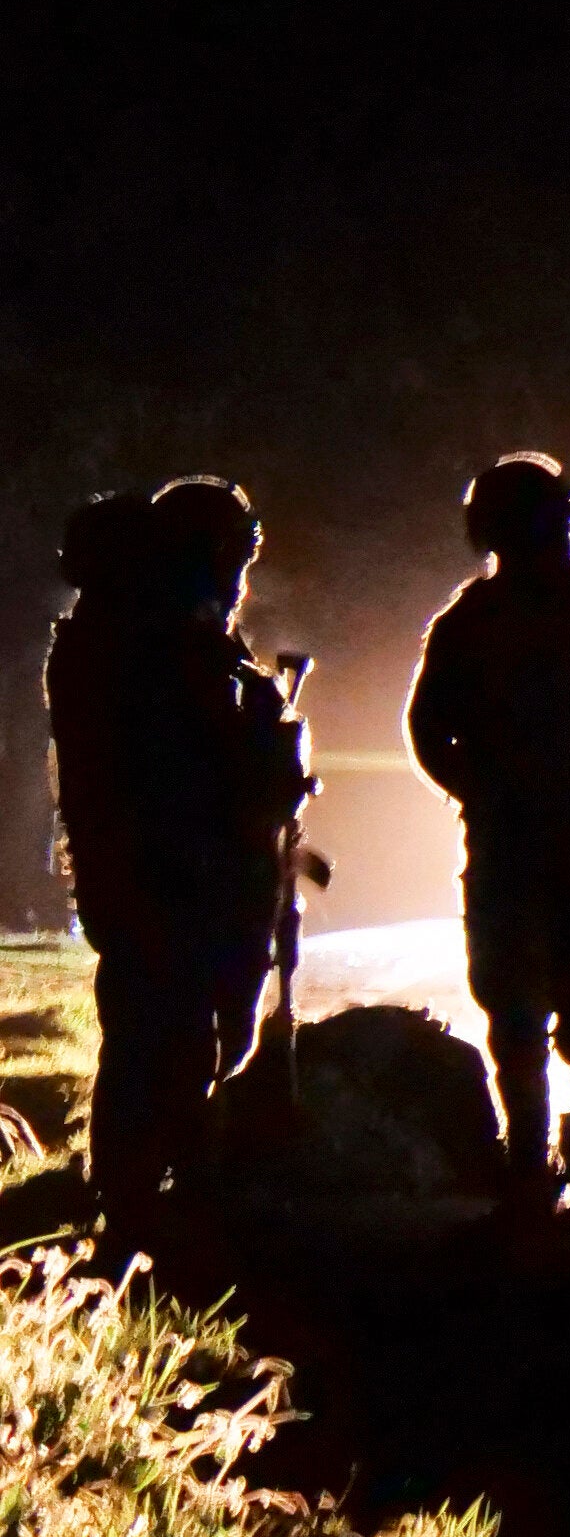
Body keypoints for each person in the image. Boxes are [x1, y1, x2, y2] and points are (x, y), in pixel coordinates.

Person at [404, 453, 570, 1202]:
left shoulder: (477, 618)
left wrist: (480, 789)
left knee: (544, 1008)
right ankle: (564, 1156)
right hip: (561, 838)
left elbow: (426, 728)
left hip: (550, 838)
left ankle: (554, 1157)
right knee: (548, 1006)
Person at [53, 482, 307, 1219]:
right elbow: (199, 760)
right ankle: (153, 1201)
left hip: (165, 869)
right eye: (233, 555)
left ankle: (151, 1190)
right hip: (177, 872)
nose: (239, 577)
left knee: (164, 1031)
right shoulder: (162, 646)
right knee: (170, 1035)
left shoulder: (145, 640)